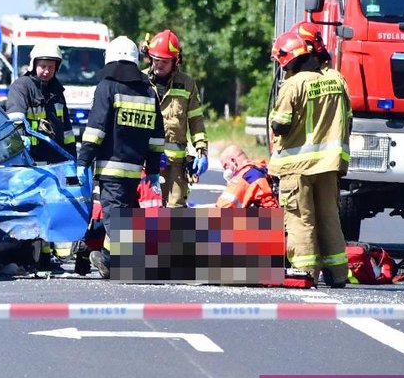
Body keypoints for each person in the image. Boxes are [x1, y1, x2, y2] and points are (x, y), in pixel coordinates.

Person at [268, 29, 352, 288]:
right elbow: (348, 120)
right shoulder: (337, 81)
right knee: (329, 217)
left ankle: (305, 273)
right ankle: (338, 274)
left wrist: (273, 116)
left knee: (300, 219)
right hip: (328, 165)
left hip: (297, 167)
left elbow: (281, 125)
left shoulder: (293, 85)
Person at [77, 36, 165, 278]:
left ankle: (129, 262)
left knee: (115, 217)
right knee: (124, 215)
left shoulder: (108, 86)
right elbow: (157, 137)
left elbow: (96, 130)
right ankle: (107, 260)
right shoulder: (149, 92)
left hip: (110, 170)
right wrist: (154, 169)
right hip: (136, 170)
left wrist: (83, 161)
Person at [144, 29, 208, 207]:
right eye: (155, 60)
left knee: (175, 214)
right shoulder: (140, 81)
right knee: (144, 213)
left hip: (175, 167)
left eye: (164, 61)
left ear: (176, 60)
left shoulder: (187, 84)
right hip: (145, 162)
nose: (158, 65)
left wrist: (201, 150)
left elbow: (196, 119)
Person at [6, 42, 77, 164]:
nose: (47, 71)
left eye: (51, 67)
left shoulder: (57, 91)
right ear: (34, 65)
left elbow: (67, 131)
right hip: (30, 161)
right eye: (43, 66)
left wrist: (73, 161)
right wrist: (19, 158)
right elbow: (15, 123)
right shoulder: (21, 87)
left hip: (56, 162)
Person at [215, 144, 279, 209]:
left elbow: (223, 205)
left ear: (233, 161)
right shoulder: (262, 168)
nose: (226, 170)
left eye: (226, 166)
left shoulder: (244, 177)